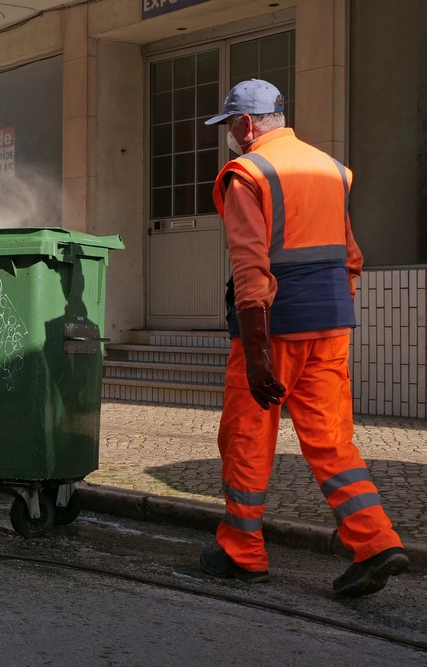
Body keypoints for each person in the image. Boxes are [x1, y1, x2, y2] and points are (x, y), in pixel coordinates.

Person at [198, 79, 408, 597]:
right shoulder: (331, 169)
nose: (230, 135)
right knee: (333, 441)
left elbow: (250, 266)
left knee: (247, 436)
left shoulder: (246, 172)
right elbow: (351, 256)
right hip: (331, 325)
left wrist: (257, 348)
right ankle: (376, 543)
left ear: (246, 125)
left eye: (230, 126)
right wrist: (335, 310)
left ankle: (242, 552)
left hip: (274, 329)